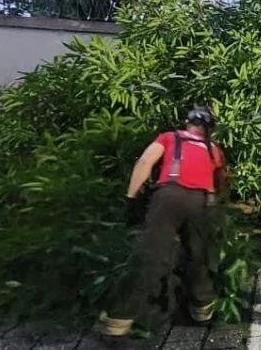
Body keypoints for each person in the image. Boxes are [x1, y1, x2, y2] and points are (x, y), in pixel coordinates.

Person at [97, 106, 230, 338]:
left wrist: (131, 199)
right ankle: (201, 312)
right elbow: (222, 181)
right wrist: (219, 208)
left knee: (151, 255)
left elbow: (144, 163)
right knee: (200, 256)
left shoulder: (169, 137)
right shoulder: (214, 150)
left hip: (168, 196)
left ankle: (117, 321)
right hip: (201, 202)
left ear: (188, 123)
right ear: (210, 129)